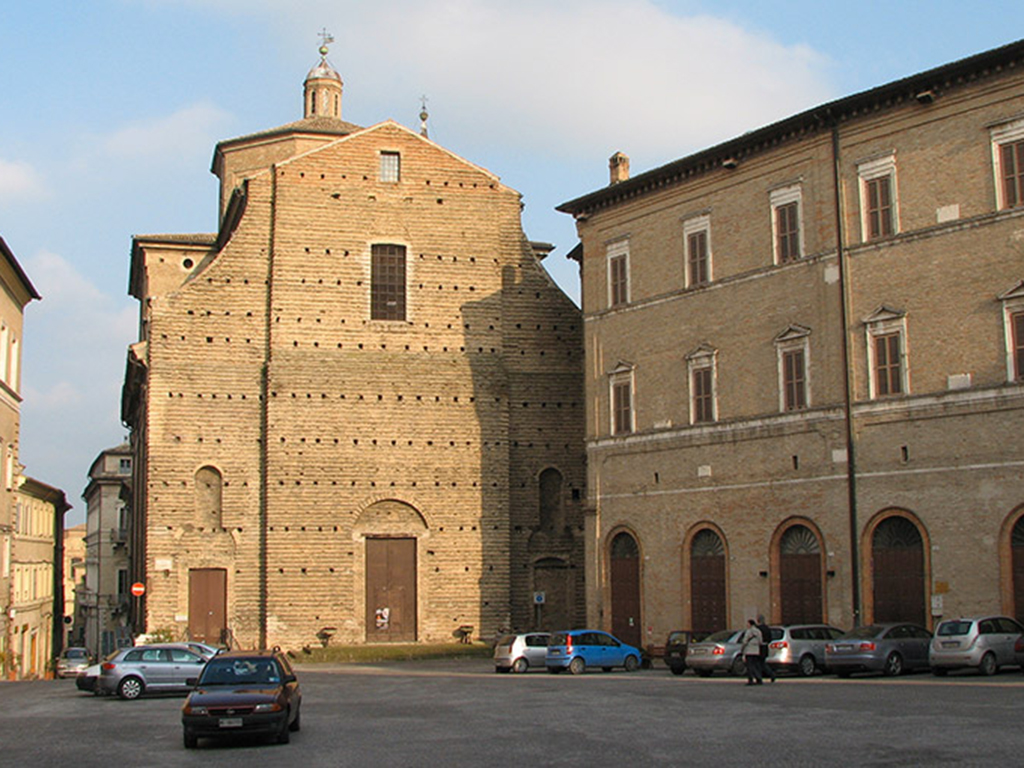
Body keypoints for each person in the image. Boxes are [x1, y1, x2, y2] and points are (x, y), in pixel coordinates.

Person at [739, 618, 763, 685]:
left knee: (750, 666)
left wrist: (742, 649)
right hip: (756, 651)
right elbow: (760, 641)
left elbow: (745, 641)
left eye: (747, 623)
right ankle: (759, 678)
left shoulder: (748, 631)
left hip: (749, 651)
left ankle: (751, 680)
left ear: (750, 624)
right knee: (755, 665)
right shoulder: (758, 631)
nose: (747, 625)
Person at [757, 614, 776, 683]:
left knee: (759, 663)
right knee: (762, 662)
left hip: (759, 647)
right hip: (765, 647)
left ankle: (761, 677)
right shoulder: (767, 628)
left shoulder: (758, 629)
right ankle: (770, 674)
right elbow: (770, 638)